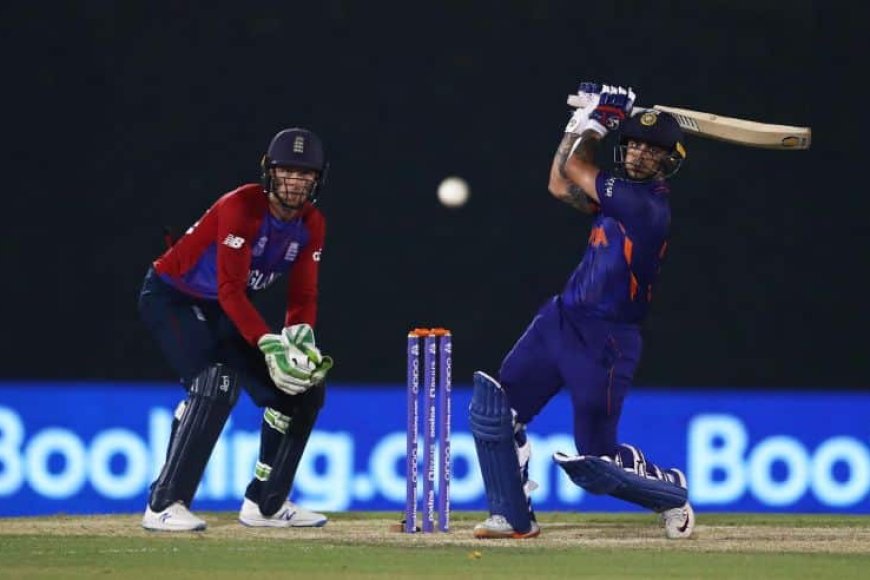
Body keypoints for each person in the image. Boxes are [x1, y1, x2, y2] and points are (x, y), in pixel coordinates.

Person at [468, 83, 694, 540]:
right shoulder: (616, 193)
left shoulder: (646, 205)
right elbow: (559, 183)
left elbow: (575, 166)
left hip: (607, 340)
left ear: (668, 162)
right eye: (634, 144)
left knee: (597, 460)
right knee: (497, 412)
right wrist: (581, 122)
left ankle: (669, 492)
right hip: (561, 319)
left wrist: (600, 120)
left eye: (652, 150)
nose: (639, 155)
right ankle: (512, 516)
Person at [137, 127, 335, 531]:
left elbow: (303, 295)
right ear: (269, 172)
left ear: (318, 180)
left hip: (223, 308)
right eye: (286, 171)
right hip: (173, 297)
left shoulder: (312, 224)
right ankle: (164, 504)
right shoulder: (241, 207)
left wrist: (299, 338)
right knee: (215, 382)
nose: (294, 182)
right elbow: (230, 290)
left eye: (304, 174)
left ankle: (266, 503)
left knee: (303, 388)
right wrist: (269, 344)